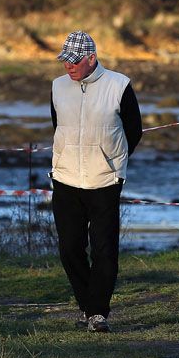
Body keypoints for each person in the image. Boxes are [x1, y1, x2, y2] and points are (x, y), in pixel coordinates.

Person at [49, 31, 142, 333]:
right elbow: (57, 125)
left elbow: (134, 131)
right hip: (65, 179)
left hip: (105, 179)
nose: (68, 66)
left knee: (104, 250)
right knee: (69, 248)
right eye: (65, 60)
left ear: (91, 58)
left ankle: (98, 313)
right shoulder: (58, 87)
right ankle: (87, 305)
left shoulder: (119, 85)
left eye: (74, 61)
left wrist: (112, 161)